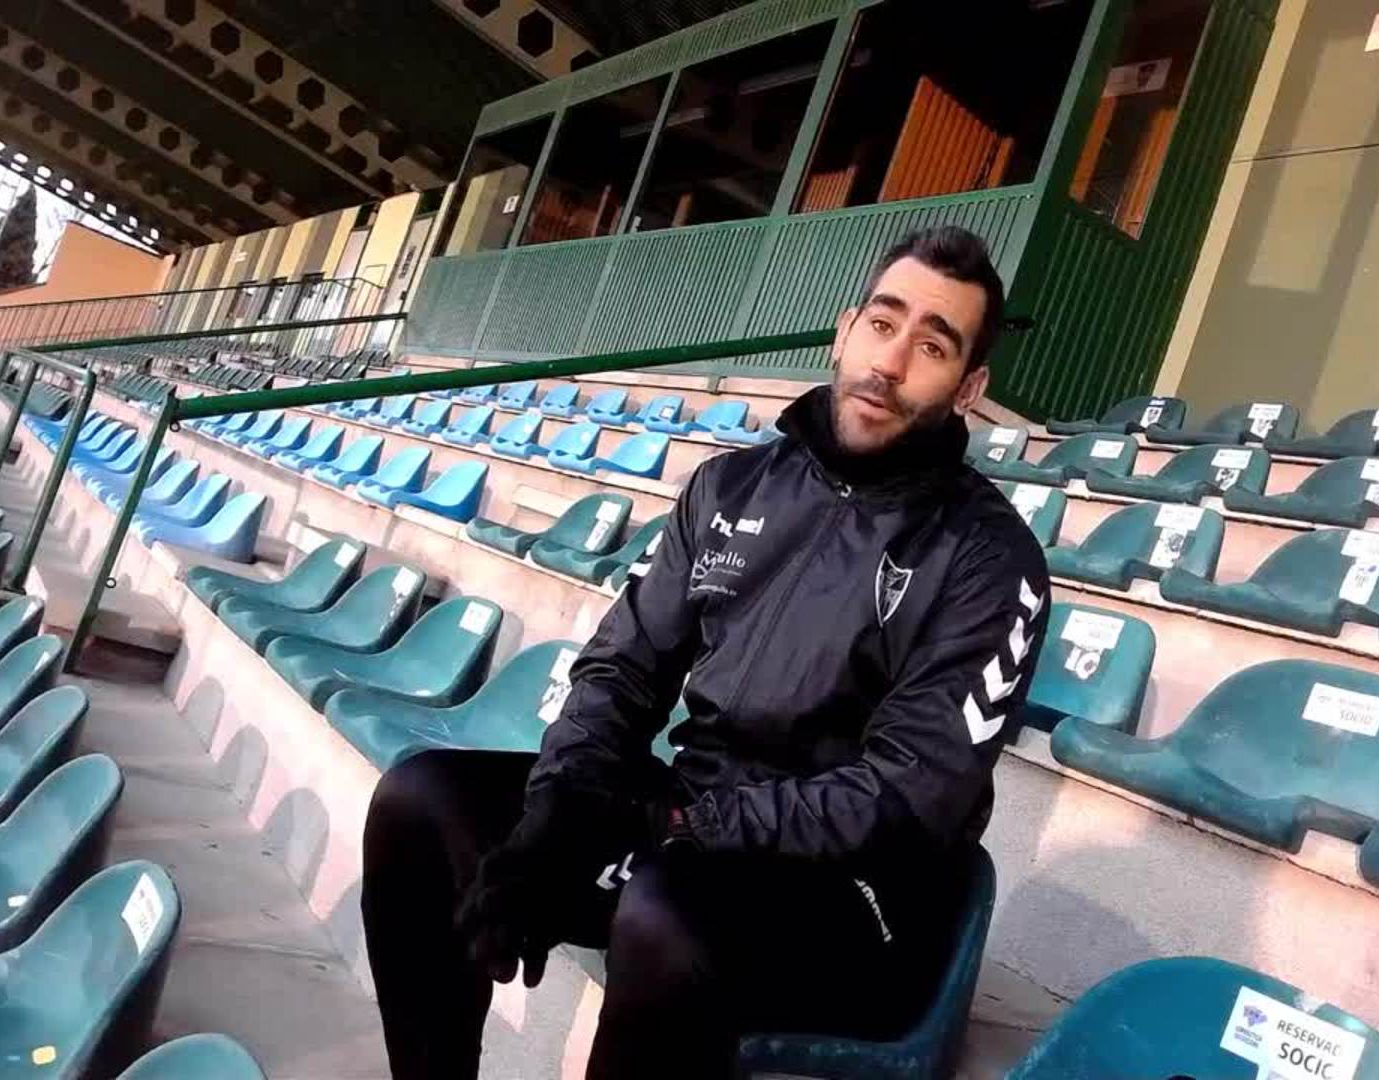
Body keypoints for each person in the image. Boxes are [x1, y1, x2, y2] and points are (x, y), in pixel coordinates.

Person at [361, 225, 1052, 1079]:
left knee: (664, 910)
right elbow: (620, 670)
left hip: (859, 898)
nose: (891, 362)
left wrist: (683, 828)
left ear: (970, 387)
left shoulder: (990, 559)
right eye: (882, 324)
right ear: (844, 332)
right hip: (692, 829)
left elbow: (912, 794)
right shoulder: (732, 487)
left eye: (933, 346)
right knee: (424, 801)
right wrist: (554, 818)